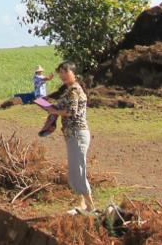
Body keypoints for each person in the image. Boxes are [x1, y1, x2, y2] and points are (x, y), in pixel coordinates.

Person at [41, 62, 94, 214]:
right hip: (72, 134)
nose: (62, 74)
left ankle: (90, 206)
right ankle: (82, 204)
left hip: (77, 133)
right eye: (60, 72)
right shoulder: (69, 90)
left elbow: (71, 112)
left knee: (78, 170)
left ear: (73, 72)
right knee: (74, 170)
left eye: (66, 71)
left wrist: (52, 110)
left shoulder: (74, 90)